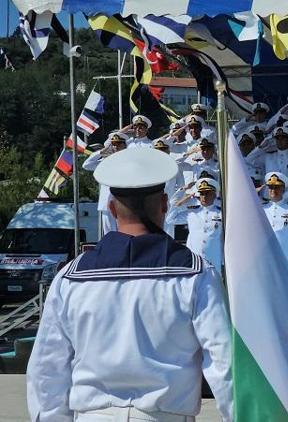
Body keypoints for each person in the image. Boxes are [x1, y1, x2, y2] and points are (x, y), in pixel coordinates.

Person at [27, 148, 233, 421]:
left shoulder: (70, 277)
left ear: (112, 209)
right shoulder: (195, 274)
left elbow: (46, 370)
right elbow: (224, 365)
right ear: (164, 204)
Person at [168, 177, 224, 268]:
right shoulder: (192, 213)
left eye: (207, 193)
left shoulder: (222, 213)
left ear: (214, 195)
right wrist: (179, 203)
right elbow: (170, 219)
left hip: (214, 260)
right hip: (194, 260)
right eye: (201, 193)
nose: (204, 197)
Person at [83, 132, 129, 235]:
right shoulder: (105, 161)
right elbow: (86, 165)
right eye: (114, 144)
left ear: (124, 145)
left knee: (124, 233)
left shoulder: (129, 162)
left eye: (118, 144)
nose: (115, 147)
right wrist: (101, 152)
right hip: (107, 203)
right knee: (109, 234)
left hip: (123, 203)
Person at [262, 172, 288, 271]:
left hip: (284, 258)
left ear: (283, 189)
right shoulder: (261, 209)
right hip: (264, 258)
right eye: (270, 187)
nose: (273, 190)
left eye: (277, 187)